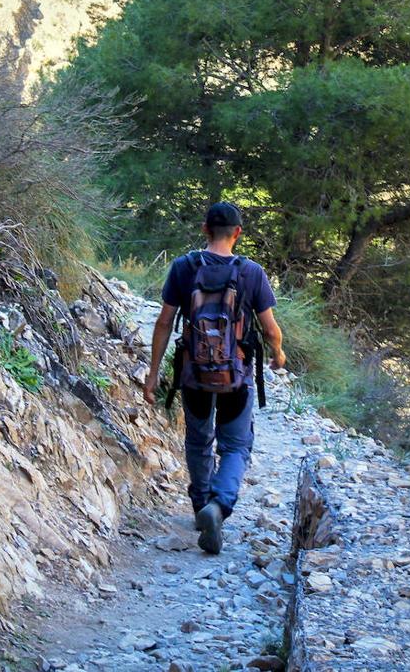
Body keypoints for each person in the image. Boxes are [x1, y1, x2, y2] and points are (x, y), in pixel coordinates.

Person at [143, 202, 286, 554]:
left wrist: (152, 375)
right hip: (235, 377)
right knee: (236, 445)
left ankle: (200, 503)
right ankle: (219, 506)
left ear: (205, 228)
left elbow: (164, 323)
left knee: (198, 440)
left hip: (193, 374)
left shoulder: (183, 268)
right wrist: (279, 354)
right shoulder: (251, 272)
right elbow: (270, 330)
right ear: (237, 232)